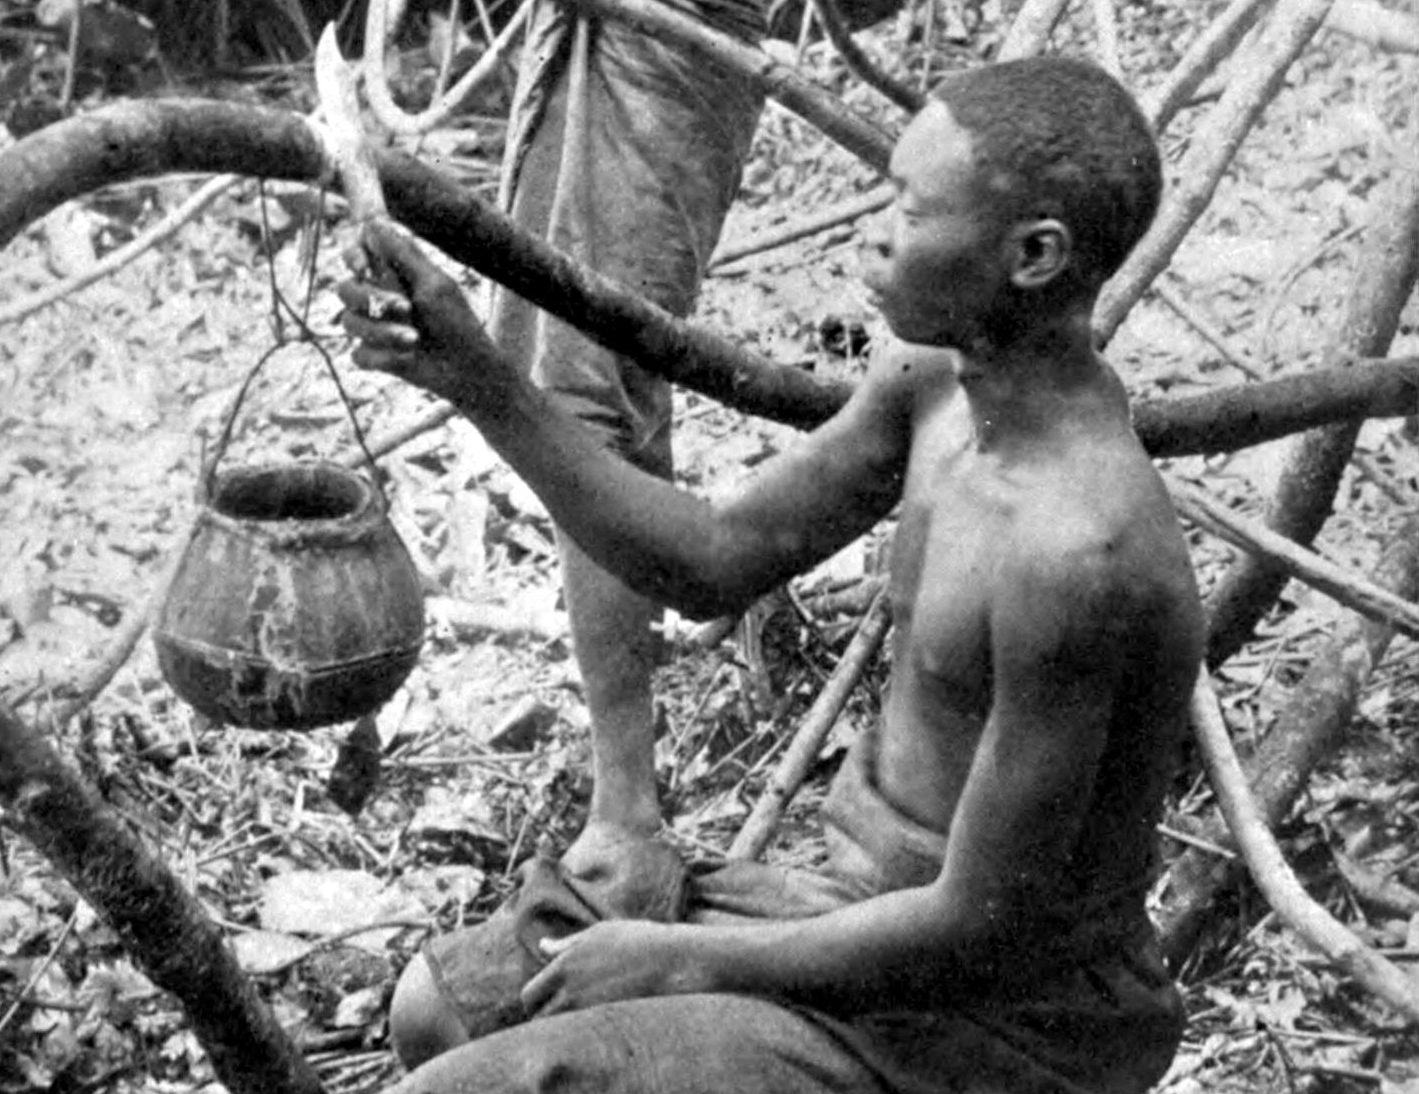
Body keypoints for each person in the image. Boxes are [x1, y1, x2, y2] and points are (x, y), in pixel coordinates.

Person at [340, 55, 1205, 1094]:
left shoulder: (1080, 556)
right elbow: (708, 560)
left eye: (910, 208)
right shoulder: (930, 390)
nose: (871, 229)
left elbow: (981, 927)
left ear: (1032, 254)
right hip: (846, 919)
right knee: (437, 1011)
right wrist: (477, 376)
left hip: (996, 1026)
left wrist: (685, 956)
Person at [484, 0, 768, 920]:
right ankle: (629, 766)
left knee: (583, 389)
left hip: (665, 31)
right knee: (582, 361)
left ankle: (627, 814)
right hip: (613, 32)